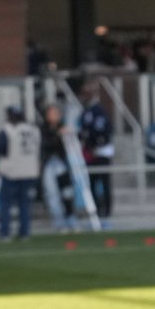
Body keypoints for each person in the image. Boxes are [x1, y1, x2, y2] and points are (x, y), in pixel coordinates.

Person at [0, 106, 41, 241]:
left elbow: (0, 149)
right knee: (24, 204)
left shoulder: (8, 130)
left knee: (5, 203)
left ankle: (5, 233)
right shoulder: (34, 130)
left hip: (12, 171)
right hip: (29, 171)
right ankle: (25, 232)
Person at [79, 82, 114, 221]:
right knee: (92, 182)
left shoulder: (99, 111)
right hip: (90, 152)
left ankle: (106, 210)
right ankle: (96, 209)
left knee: (104, 181)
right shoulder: (86, 111)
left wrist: (94, 144)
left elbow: (103, 131)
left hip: (101, 151)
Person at [39, 104, 74, 231]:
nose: (55, 116)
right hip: (49, 163)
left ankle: (70, 218)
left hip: (61, 163)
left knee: (67, 192)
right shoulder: (43, 129)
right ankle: (59, 221)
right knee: (52, 193)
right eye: (52, 113)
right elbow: (46, 144)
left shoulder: (63, 127)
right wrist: (57, 135)